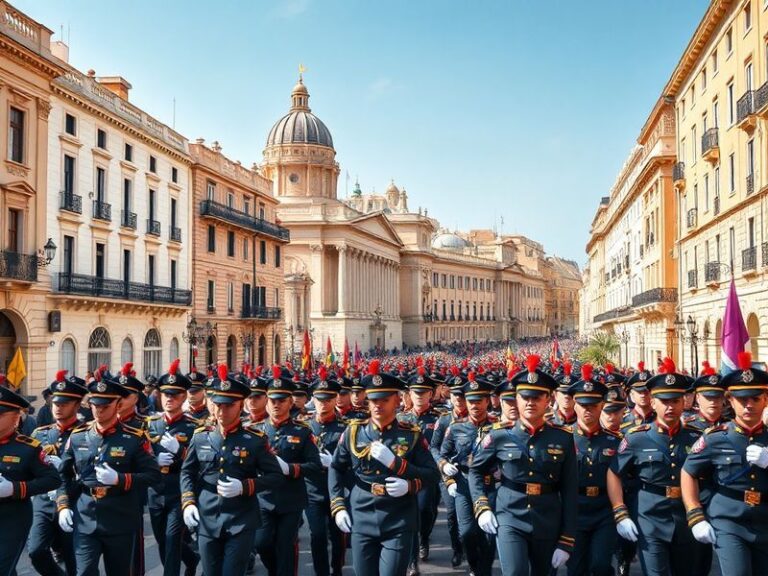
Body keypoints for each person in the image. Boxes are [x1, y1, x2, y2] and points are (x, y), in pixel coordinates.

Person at [328, 360, 440, 576]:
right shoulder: (353, 433)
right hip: (362, 513)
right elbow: (336, 467)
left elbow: (433, 475)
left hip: (398, 517)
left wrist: (401, 472)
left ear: (397, 401)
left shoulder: (411, 434)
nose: (377, 405)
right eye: (373, 400)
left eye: (384, 400)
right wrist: (338, 504)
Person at [469, 354, 577, 576]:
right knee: (515, 572)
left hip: (547, 519)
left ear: (548, 400)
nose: (530, 402)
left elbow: (570, 490)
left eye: (537, 397)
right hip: (510, 516)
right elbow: (476, 470)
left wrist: (567, 539)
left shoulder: (563, 438)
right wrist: (482, 507)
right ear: (516, 399)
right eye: (524, 396)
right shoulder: (499, 435)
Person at [180, 364, 284, 576]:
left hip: (241, 520)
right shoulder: (201, 437)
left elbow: (275, 477)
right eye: (218, 405)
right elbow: (187, 472)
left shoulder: (254, 440)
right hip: (207, 517)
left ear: (240, 406)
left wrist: (245, 487)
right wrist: (188, 502)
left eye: (228, 405)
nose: (221, 411)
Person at [56, 374, 161, 576]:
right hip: (86, 516)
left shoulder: (134, 438)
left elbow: (153, 475)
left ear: (118, 404)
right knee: (84, 571)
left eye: (105, 405)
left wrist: (120, 480)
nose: (99, 410)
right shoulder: (78, 437)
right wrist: (62, 505)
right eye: (95, 405)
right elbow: (62, 475)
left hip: (120, 518)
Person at [607, 357, 702, 576]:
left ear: (683, 402)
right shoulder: (636, 438)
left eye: (675, 401)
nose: (670, 407)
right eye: (664, 401)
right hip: (649, 517)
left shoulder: (695, 438)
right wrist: (620, 512)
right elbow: (614, 473)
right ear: (653, 402)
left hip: (686, 518)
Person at [682, 351, 768, 576]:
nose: (748, 405)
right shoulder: (715, 437)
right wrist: (695, 515)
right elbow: (688, 471)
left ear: (765, 399)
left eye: (755, 398)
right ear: (730, 400)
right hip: (729, 520)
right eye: (741, 399)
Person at [252, 366, 322, 576]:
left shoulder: (301, 431)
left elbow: (315, 466)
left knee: (285, 546)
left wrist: (290, 469)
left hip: (290, 499)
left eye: (281, 400)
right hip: (263, 499)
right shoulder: (255, 431)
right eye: (273, 400)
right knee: (262, 543)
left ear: (290, 402)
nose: (276, 404)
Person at [28, 371, 88, 576]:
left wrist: (69, 467)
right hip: (44, 501)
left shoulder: (86, 434)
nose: (58, 407)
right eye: (56, 403)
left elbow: (91, 470)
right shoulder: (41, 433)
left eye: (64, 403)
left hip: (73, 500)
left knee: (73, 557)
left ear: (77, 405)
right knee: (36, 551)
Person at [147, 359, 200, 576]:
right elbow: (141, 456)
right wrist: (154, 461)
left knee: (171, 541)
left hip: (179, 492)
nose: (169, 399)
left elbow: (199, 463)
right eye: (165, 394)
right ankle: (192, 558)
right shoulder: (150, 424)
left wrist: (180, 451)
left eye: (175, 395)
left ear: (184, 397)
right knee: (162, 541)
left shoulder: (193, 427)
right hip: (155, 491)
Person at [439, 372, 496, 576]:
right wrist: (445, 468)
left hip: (490, 485)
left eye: (479, 400)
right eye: (470, 401)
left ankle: (484, 570)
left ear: (487, 401)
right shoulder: (456, 428)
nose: (474, 405)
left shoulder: (497, 427)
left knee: (488, 534)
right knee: (467, 532)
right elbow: (441, 453)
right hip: (464, 484)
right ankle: (473, 565)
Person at [566, 365, 620, 576]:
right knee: (576, 568)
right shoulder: (564, 438)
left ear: (602, 406)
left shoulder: (615, 441)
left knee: (600, 565)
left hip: (604, 510)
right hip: (575, 511)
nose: (588, 410)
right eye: (582, 404)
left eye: (593, 405)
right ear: (575, 406)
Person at [0, 384, 60, 576]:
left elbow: (52, 480)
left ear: (16, 417)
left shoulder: (28, 448)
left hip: (11, 518)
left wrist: (15, 489)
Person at [400, 362, 444, 575]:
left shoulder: (439, 419)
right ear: (410, 394)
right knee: (411, 515)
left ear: (431, 394)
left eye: (423, 392)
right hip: (406, 473)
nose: (419, 396)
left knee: (427, 510)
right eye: (415, 392)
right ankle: (411, 561)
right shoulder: (401, 419)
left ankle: (424, 537)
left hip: (429, 475)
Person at [305, 367, 348, 576]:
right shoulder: (304, 427)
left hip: (337, 491)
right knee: (317, 535)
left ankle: (337, 569)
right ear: (313, 400)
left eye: (328, 399)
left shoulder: (346, 428)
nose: (324, 403)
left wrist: (335, 464)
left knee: (337, 535)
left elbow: (353, 461)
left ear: (335, 400)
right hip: (312, 491)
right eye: (320, 399)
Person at [429, 366, 467, 568]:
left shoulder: (475, 419)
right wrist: (442, 465)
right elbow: (434, 447)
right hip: (448, 476)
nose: (459, 400)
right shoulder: (443, 420)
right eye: (455, 396)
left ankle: (471, 550)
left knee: (471, 518)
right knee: (452, 514)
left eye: (462, 396)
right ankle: (457, 550)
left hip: (470, 474)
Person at [550, 361, 576, 426]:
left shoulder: (585, 422)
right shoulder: (547, 423)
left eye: (570, 393)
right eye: (563, 392)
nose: (567, 396)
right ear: (555, 395)